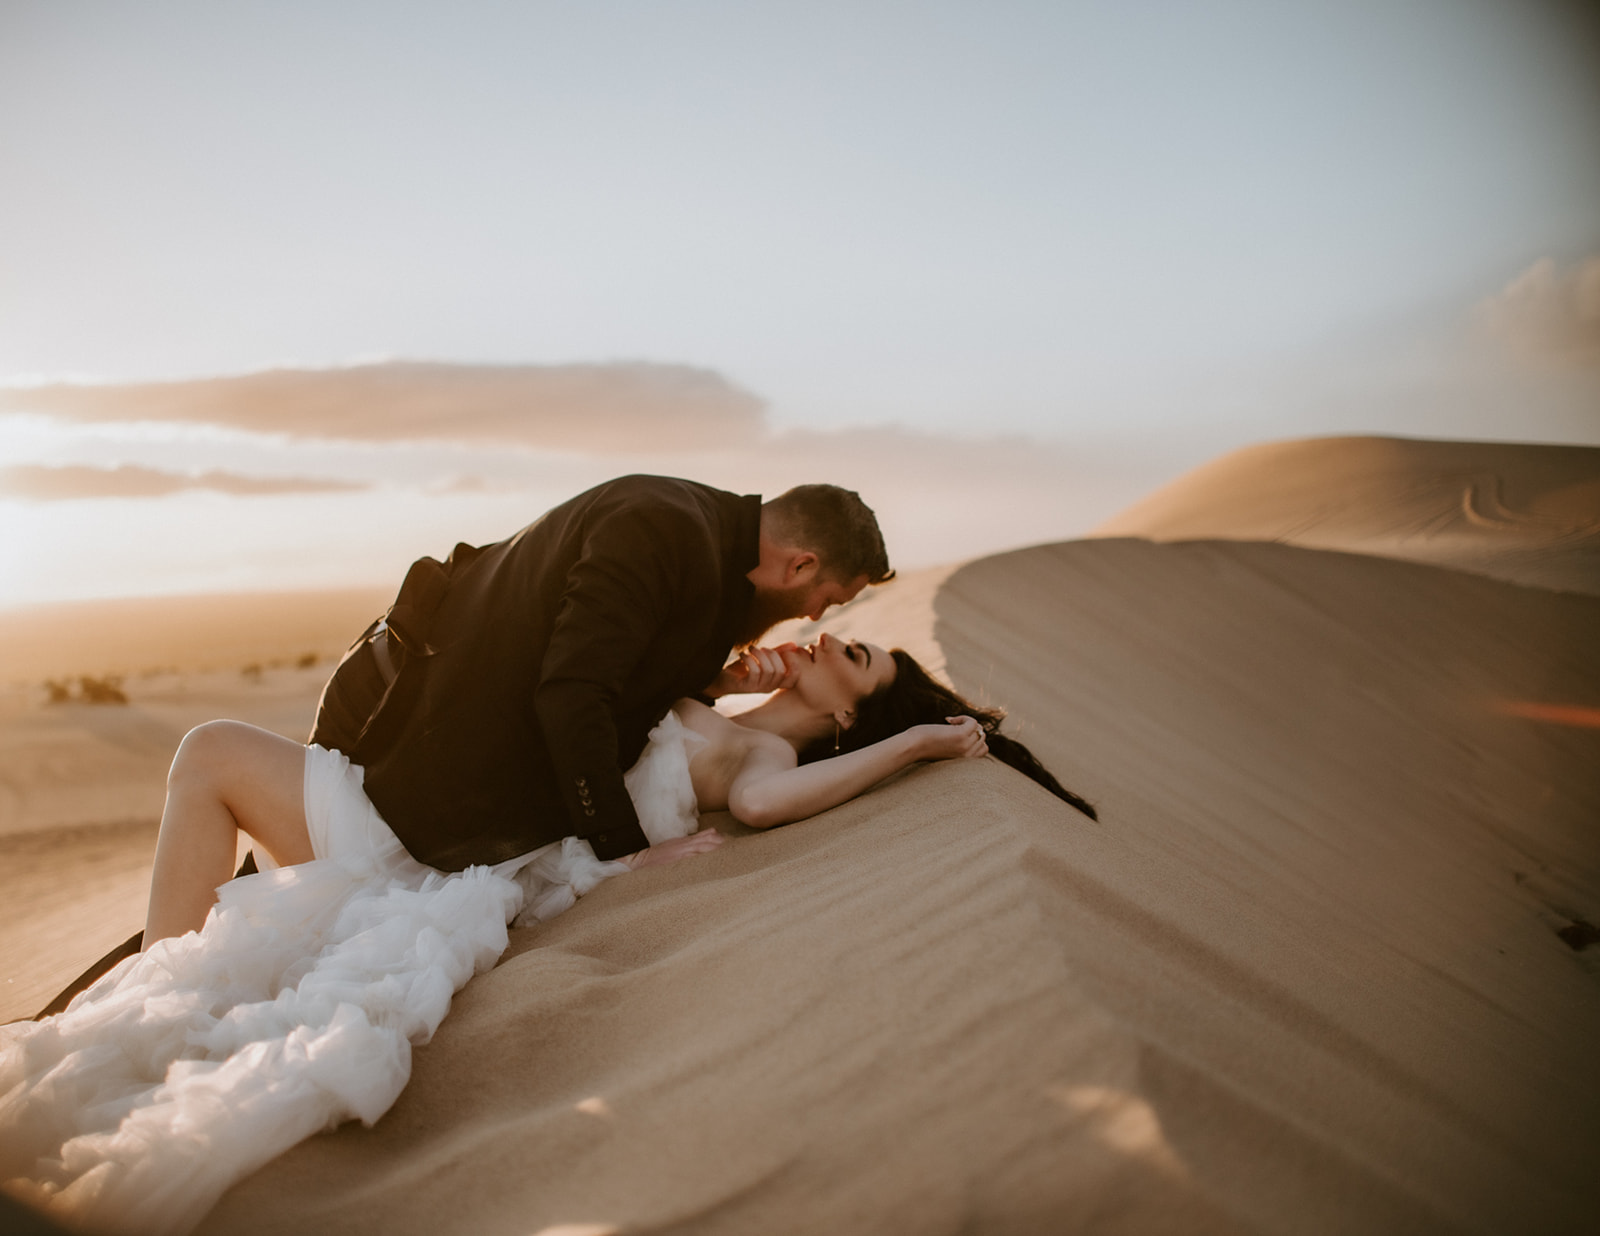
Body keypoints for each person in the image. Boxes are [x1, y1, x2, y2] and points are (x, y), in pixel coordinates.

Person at [0, 631, 1091, 1234]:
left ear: (851, 715)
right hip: (451, 821)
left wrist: (918, 749)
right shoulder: (723, 711)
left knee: (211, 754)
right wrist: (716, 666)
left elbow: (760, 810)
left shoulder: (764, 764)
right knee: (216, 765)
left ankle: (161, 993)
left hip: (440, 852)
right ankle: (162, 995)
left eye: (855, 658)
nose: (831, 644)